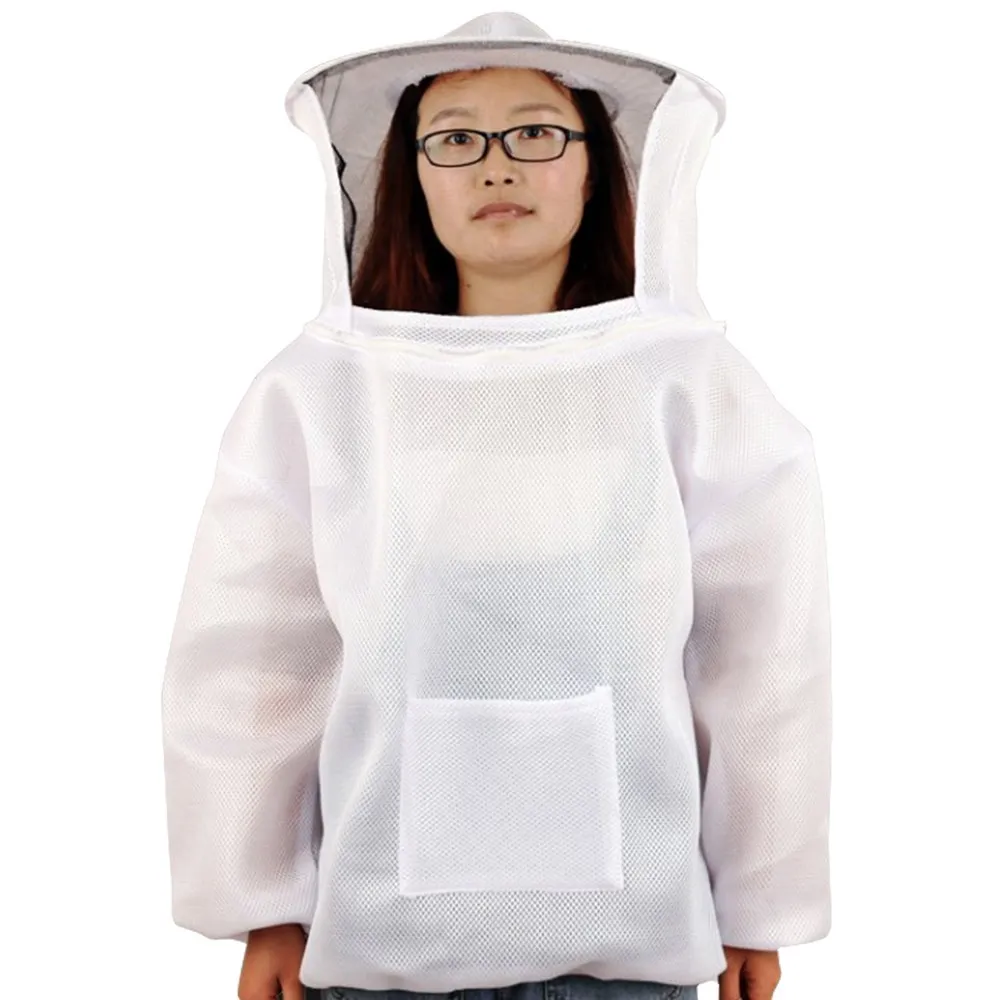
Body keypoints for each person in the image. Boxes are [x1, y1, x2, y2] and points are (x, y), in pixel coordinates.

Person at [160, 13, 833, 1000]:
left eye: (535, 131)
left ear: (594, 167)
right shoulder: (321, 392)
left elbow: (762, 664)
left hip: (629, 954)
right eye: (456, 138)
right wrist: (263, 904)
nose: (497, 165)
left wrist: (758, 905)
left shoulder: (690, 384)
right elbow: (253, 661)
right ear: (413, 174)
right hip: (376, 951)